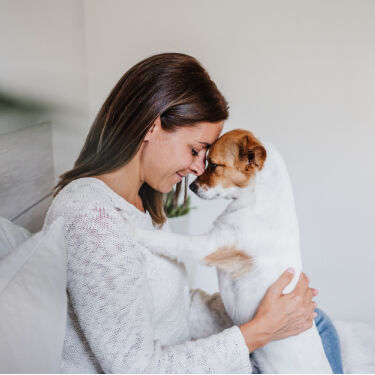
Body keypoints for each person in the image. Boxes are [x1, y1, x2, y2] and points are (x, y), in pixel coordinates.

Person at [44, 53, 343, 373]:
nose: (200, 168)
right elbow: (139, 369)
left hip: (195, 349)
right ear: (151, 127)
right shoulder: (94, 220)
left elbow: (175, 310)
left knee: (316, 321)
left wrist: (270, 309)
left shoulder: (140, 202)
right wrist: (258, 331)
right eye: (195, 149)